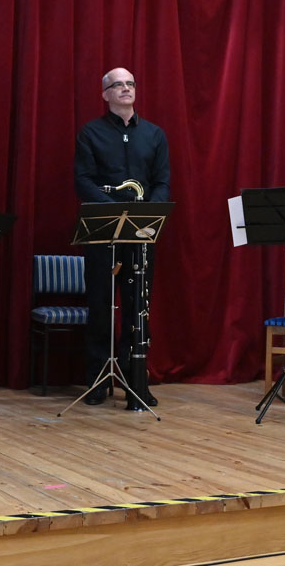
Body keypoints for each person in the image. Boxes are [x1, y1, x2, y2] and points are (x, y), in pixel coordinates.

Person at [74, 67, 171, 406]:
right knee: (100, 305)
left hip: (141, 233)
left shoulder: (155, 135)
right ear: (105, 94)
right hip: (104, 230)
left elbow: (162, 182)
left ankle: (136, 379)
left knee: (137, 307)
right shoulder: (91, 133)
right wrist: (115, 211)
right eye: (118, 84)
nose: (126, 88)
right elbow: (83, 180)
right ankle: (98, 380)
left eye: (130, 83)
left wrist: (146, 216)